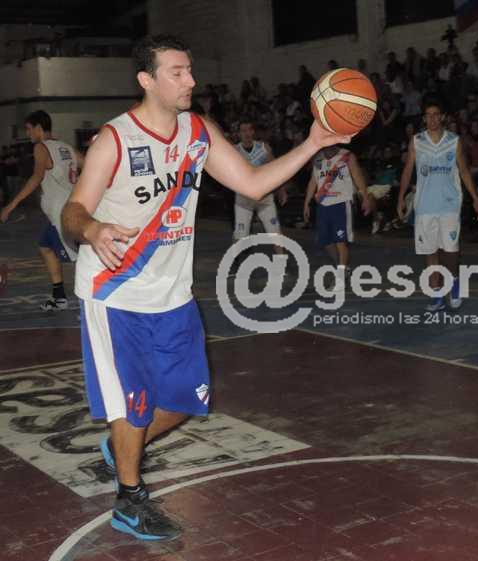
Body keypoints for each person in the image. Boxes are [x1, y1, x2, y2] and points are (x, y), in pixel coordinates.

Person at [61, 35, 350, 542]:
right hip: (115, 292)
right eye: (177, 72)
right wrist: (92, 229)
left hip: (172, 294)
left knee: (189, 399)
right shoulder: (115, 140)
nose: (191, 80)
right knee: (133, 404)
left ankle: (123, 445)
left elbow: (253, 184)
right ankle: (129, 499)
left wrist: (312, 144)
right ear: (147, 80)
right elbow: (73, 210)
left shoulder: (198, 131)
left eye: (190, 70)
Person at [397, 98, 478, 312]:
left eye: (436, 114)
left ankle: (453, 286)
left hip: (449, 205)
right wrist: (400, 198)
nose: (432, 118)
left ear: (442, 117)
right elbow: (408, 170)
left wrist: (475, 198)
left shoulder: (454, 141)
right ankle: (436, 295)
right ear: (424, 118)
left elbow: (464, 171)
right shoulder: (416, 141)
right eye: (428, 115)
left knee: (450, 251)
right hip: (425, 206)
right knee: (431, 252)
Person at [0, 110, 83, 310]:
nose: (28, 133)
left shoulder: (41, 147)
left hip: (61, 214)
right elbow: (90, 164)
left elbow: (36, 178)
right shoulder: (66, 146)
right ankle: (59, 297)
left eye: (29, 129)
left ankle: (93, 301)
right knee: (45, 247)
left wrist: (11, 205)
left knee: (81, 259)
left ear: (38, 127)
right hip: (72, 209)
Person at [303, 145, 370, 278]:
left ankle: (340, 277)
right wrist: (306, 203)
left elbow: (357, 176)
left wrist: (365, 198)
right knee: (326, 242)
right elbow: (313, 181)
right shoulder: (317, 158)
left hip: (341, 203)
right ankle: (343, 267)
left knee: (340, 242)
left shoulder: (347, 155)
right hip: (323, 204)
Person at [233, 118, 287, 253]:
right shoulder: (234, 151)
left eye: (249, 130)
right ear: (238, 134)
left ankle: (281, 261)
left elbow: (275, 169)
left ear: (253, 132)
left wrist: (281, 189)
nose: (247, 133)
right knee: (240, 236)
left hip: (265, 198)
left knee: (275, 233)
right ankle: (234, 260)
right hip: (244, 199)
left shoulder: (263, 148)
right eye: (243, 130)